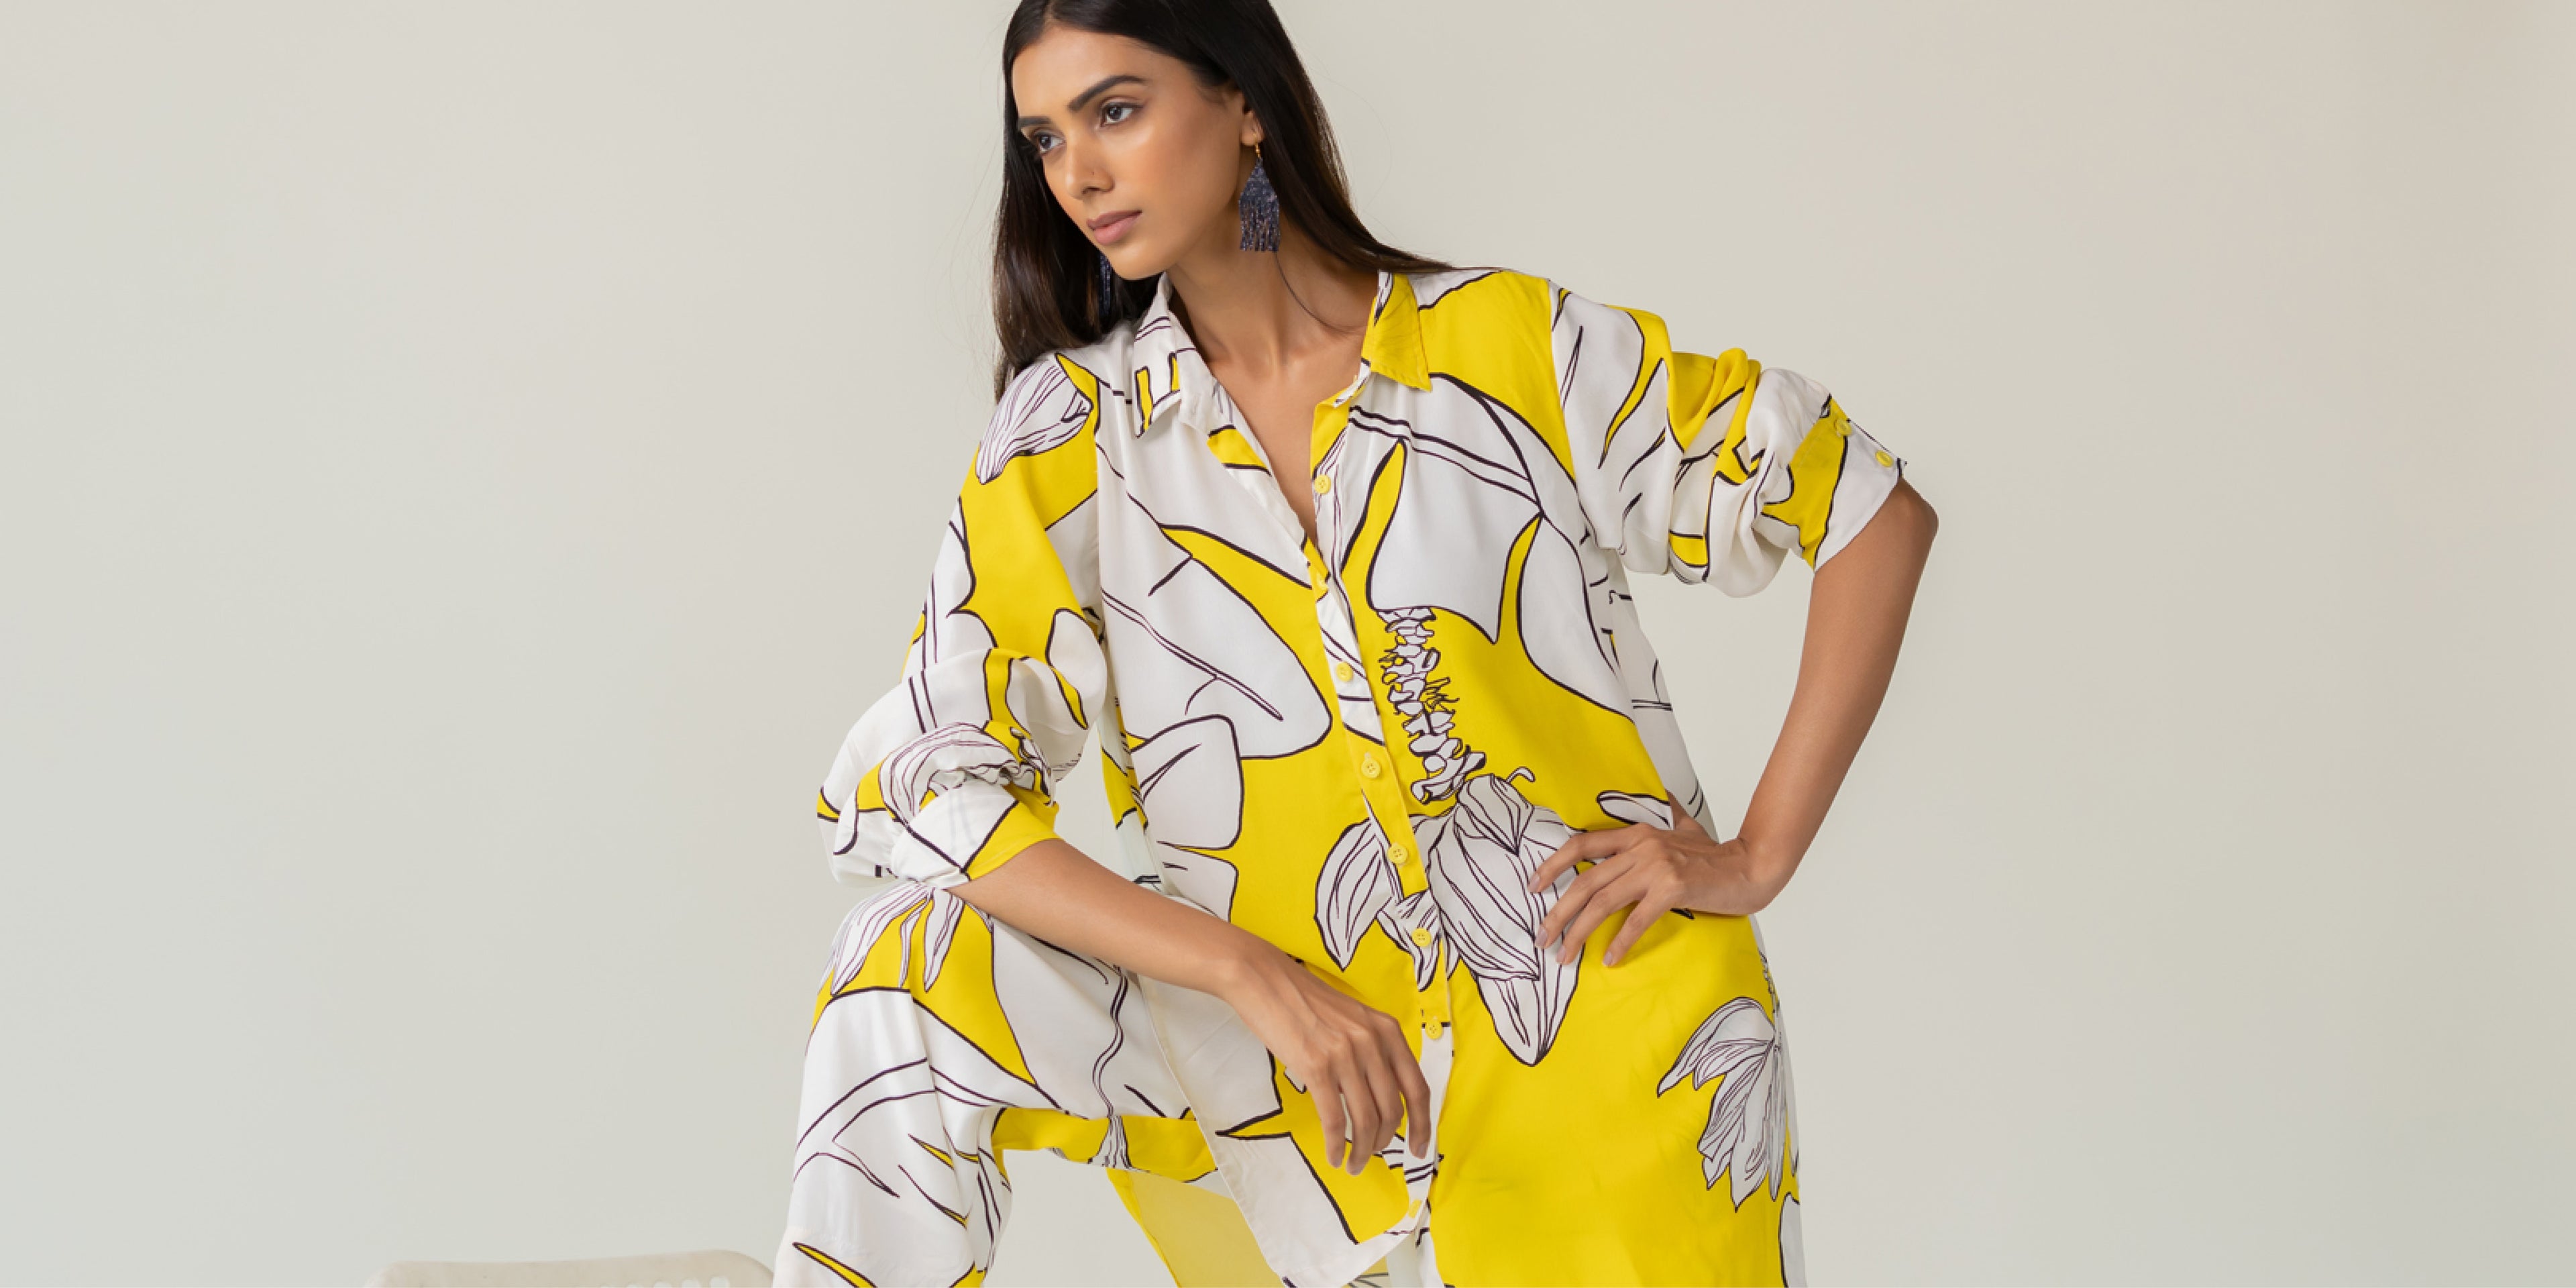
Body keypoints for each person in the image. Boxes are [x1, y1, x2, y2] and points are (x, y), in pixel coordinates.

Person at [773, 1, 1938, 1285]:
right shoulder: (1072, 437)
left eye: (1117, 111)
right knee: (901, 967)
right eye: (1045, 138)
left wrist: (1756, 856)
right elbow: (933, 782)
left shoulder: (1510, 349)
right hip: (1302, 1086)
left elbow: (1864, 506)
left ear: (1244, 101)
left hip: (1614, 1045)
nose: (1079, 173)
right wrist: (1246, 973)